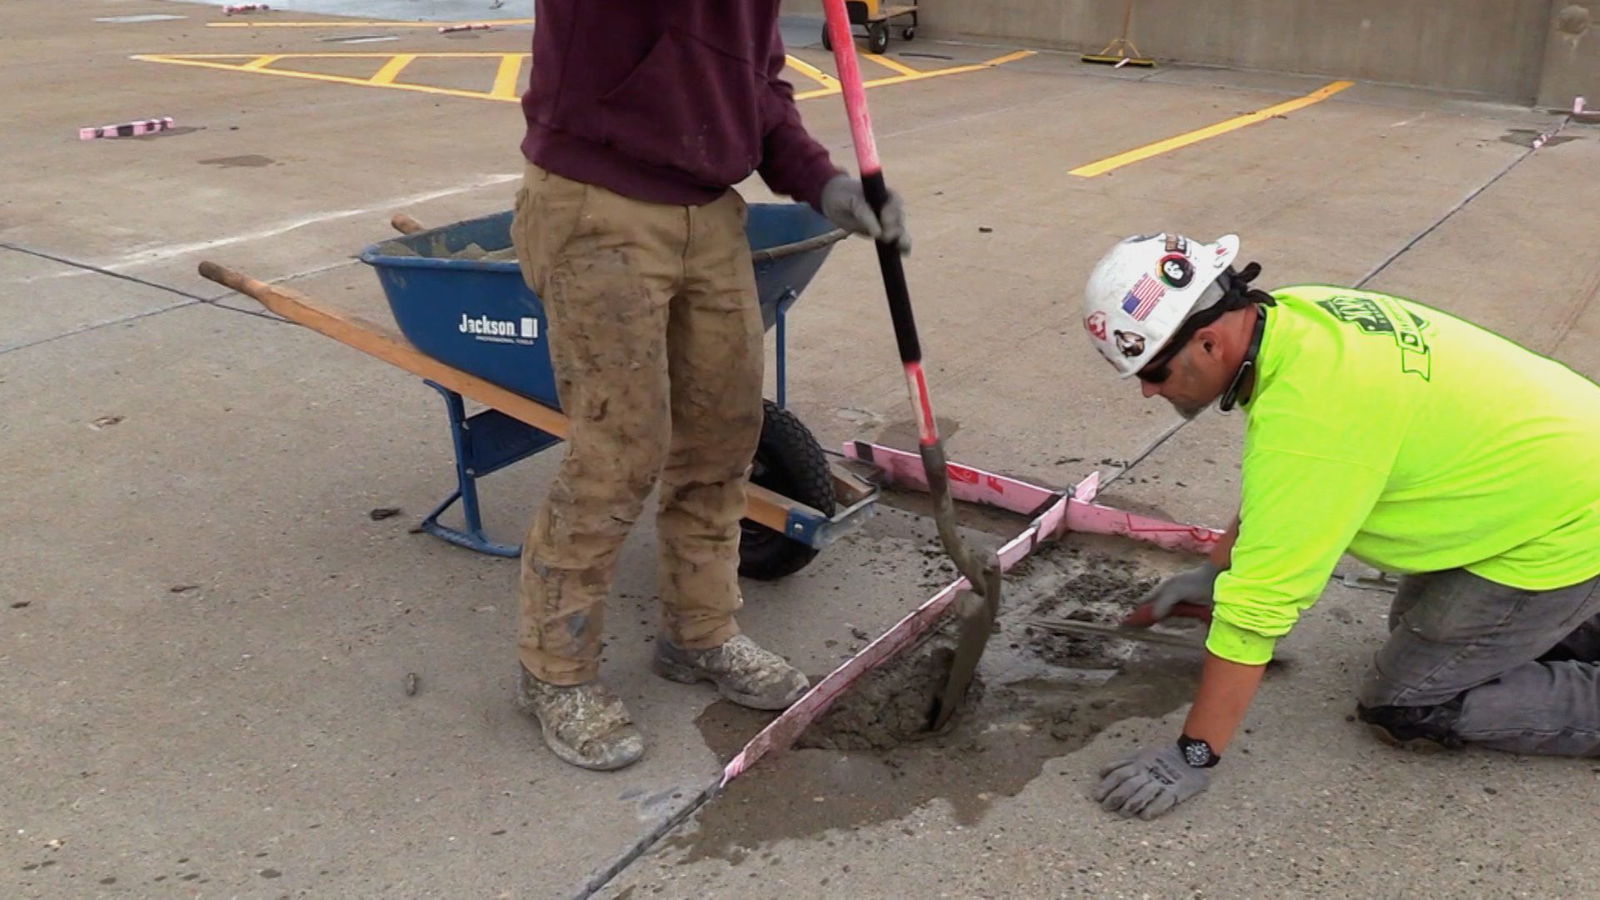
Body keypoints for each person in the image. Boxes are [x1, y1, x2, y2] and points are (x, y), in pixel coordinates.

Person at [508, 3, 909, 771]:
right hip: (598, 198)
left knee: (724, 436)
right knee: (618, 452)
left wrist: (822, 183)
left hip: (709, 211)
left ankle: (700, 632)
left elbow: (755, 88)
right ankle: (553, 671)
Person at [1076, 231, 1600, 819]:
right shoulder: (1296, 316)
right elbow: (1290, 488)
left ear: (1207, 341)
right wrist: (1216, 570)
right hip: (1547, 475)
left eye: (1153, 370)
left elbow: (1260, 608)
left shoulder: (1311, 419)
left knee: (1406, 702)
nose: (1147, 390)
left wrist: (1193, 754)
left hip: (1568, 520)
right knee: (1417, 630)